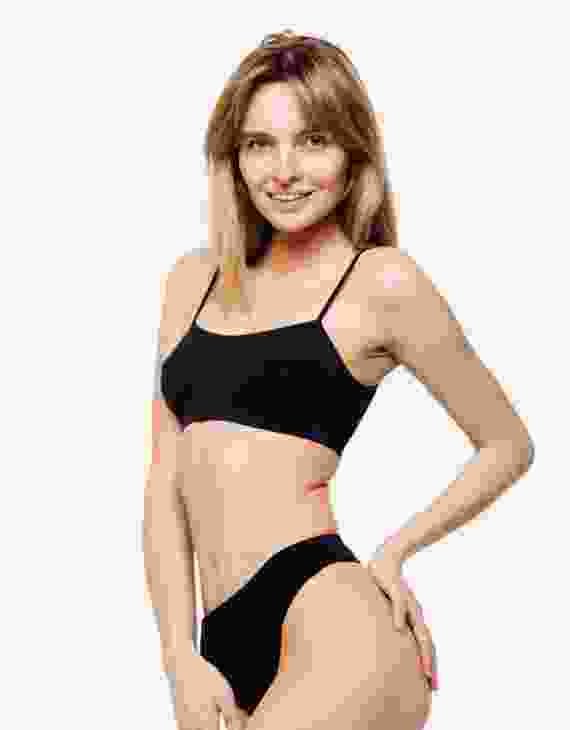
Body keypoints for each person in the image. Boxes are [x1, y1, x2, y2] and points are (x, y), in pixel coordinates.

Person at [143, 30, 534, 730]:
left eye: (313, 141)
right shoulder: (191, 282)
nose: (284, 170)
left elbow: (507, 444)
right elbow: (164, 485)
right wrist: (180, 656)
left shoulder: (380, 282)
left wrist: (396, 549)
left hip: (330, 617)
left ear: (353, 153)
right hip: (217, 639)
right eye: (260, 144)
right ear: (233, 157)